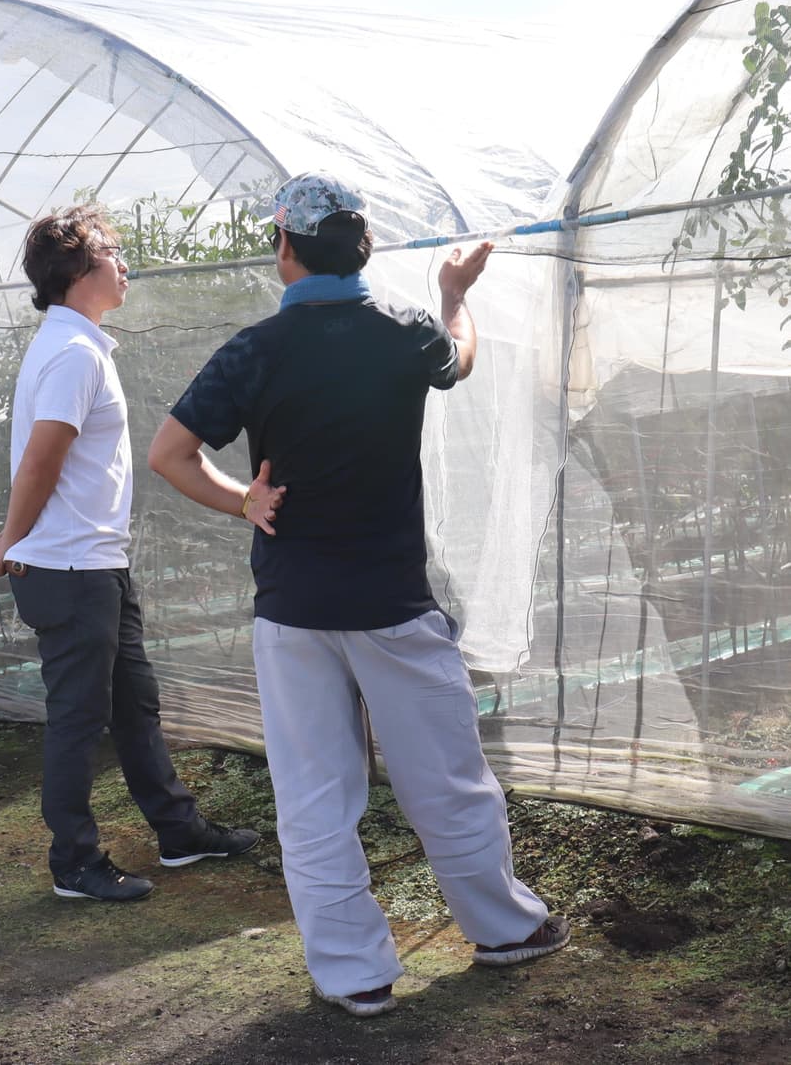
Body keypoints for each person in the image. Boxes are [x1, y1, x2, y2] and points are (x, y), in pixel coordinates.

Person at [148, 172, 568, 1017]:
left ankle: (353, 974)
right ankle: (502, 929)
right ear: (361, 249)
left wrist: (242, 499)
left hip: (293, 608)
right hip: (390, 604)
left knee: (313, 796)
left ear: (286, 249)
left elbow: (170, 453)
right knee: (445, 777)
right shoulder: (400, 332)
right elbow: (460, 353)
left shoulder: (254, 349)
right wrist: (454, 293)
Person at [0, 205, 258, 903]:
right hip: (70, 569)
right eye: (110, 251)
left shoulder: (77, 346)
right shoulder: (72, 355)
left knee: (135, 705)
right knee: (78, 718)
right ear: (76, 271)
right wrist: (12, 536)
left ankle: (178, 830)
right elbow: (42, 460)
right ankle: (74, 860)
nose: (123, 261)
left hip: (94, 563)